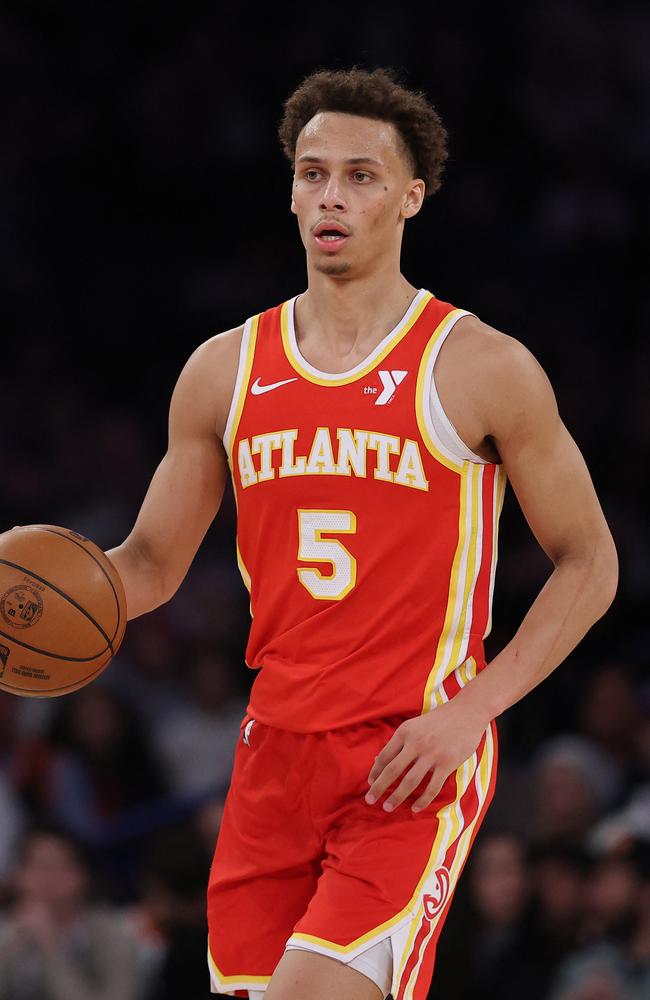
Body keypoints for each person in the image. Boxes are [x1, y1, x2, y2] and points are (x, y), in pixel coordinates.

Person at [106, 67, 618, 1000]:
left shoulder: (481, 364)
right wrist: (40, 596)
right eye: (311, 173)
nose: (330, 195)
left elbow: (591, 563)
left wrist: (471, 713)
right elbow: (146, 565)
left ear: (412, 196)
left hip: (407, 759)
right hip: (272, 759)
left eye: (361, 174)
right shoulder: (224, 369)